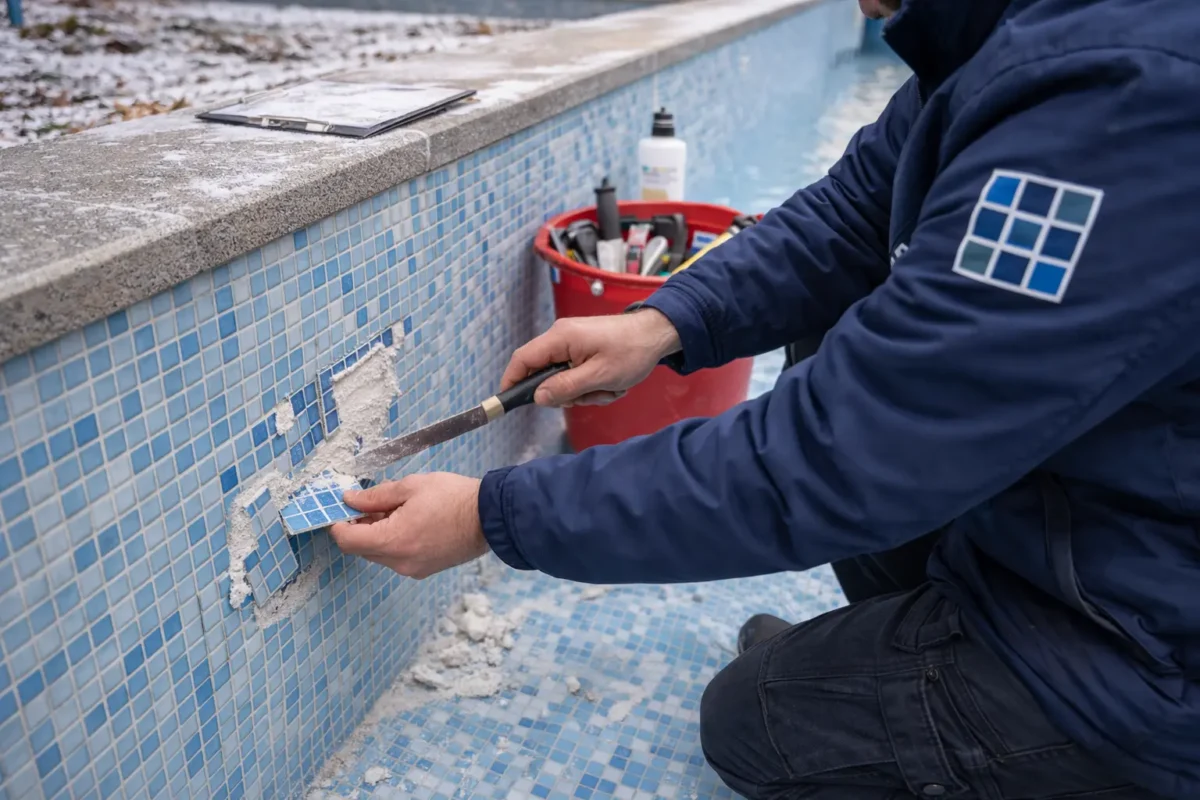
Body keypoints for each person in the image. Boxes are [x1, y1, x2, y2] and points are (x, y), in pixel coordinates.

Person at [329, 0, 1200, 797]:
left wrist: (493, 517)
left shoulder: (1122, 103)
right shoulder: (1001, 38)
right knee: (830, 326)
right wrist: (665, 322)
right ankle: (917, 647)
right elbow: (856, 213)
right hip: (1087, 513)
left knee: (755, 723)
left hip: (1153, 654)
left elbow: (845, 453)